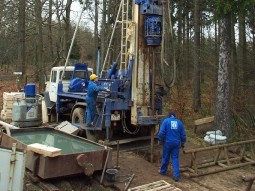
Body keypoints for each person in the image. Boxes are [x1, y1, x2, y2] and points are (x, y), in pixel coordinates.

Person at [158, 112, 186, 182]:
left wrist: (160, 139)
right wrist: (182, 142)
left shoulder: (166, 121)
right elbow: (183, 135)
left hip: (167, 143)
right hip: (176, 143)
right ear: (175, 116)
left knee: (165, 157)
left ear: (169, 116)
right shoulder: (179, 123)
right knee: (175, 158)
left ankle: (163, 171)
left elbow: (161, 132)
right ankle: (176, 176)